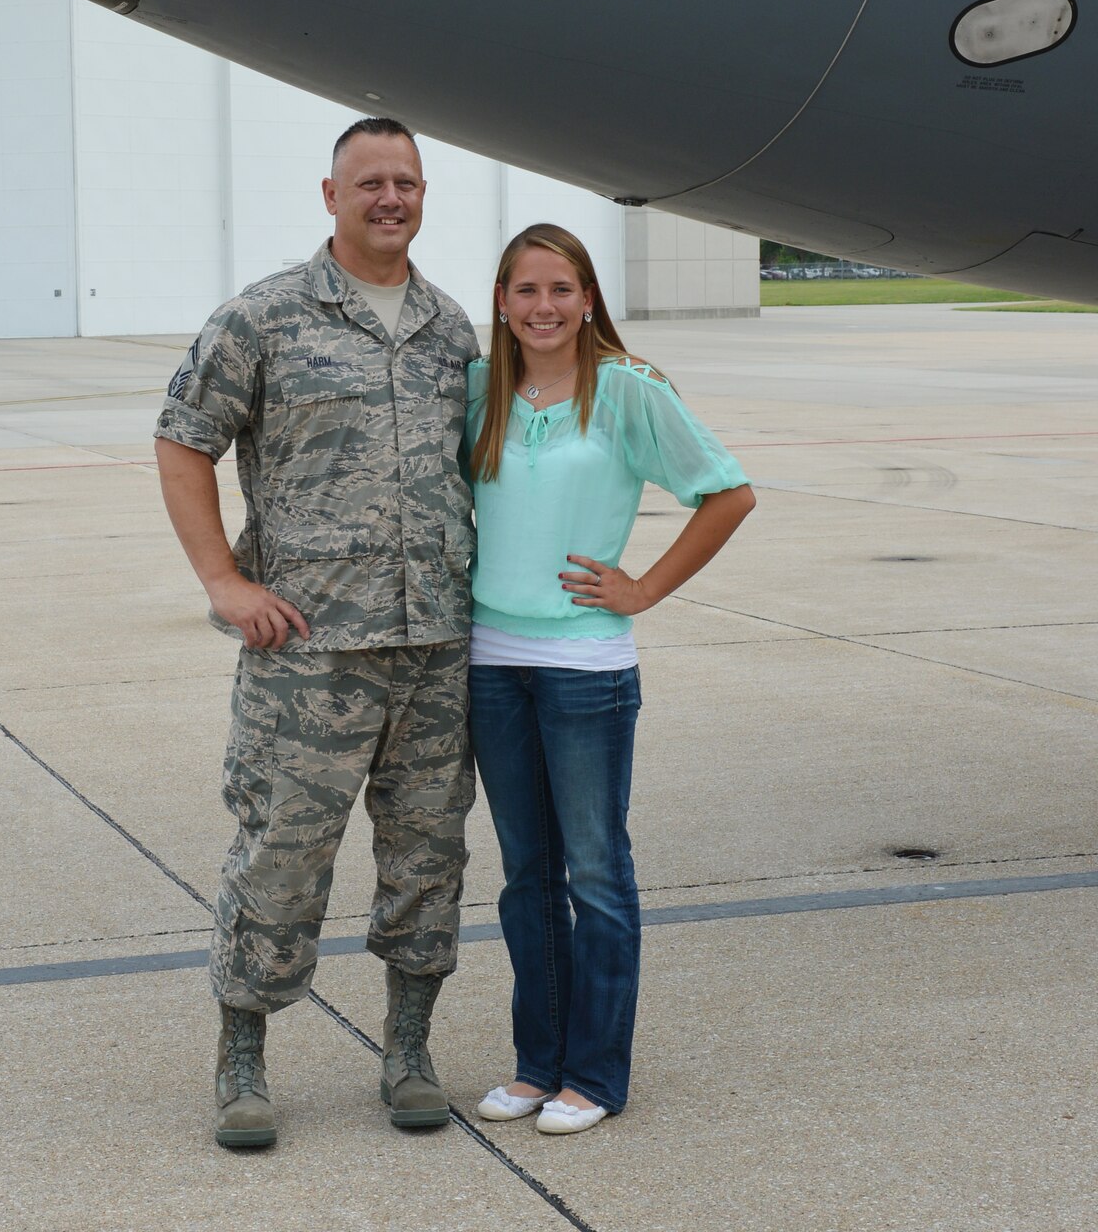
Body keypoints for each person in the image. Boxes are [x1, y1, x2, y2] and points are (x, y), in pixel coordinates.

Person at [154, 118, 479, 1151]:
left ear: (423, 193)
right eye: (369, 180)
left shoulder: (450, 327)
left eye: (407, 181)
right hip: (305, 657)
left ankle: (410, 1049)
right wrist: (222, 578)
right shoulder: (265, 316)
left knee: (428, 859)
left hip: (433, 651)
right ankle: (242, 1058)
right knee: (280, 859)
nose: (391, 197)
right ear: (329, 192)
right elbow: (181, 440)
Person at [465, 224, 754, 1135]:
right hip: (491, 663)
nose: (543, 307)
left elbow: (728, 492)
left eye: (561, 289)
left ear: (589, 298)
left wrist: (645, 587)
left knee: (594, 872)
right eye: (525, 291)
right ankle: (535, 1063)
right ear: (502, 304)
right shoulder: (482, 392)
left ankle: (593, 1074)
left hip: (586, 665)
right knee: (525, 877)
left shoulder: (628, 389)